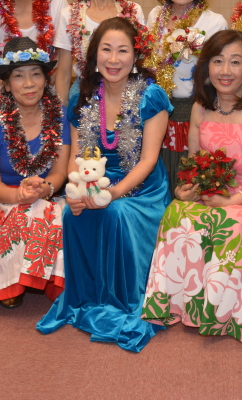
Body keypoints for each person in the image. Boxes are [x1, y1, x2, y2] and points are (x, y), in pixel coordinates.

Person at [141, 30, 242, 353]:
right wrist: (187, 189)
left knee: (231, 225)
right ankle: (184, 306)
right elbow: (194, 162)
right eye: (218, 61)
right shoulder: (200, 107)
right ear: (206, 68)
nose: (225, 70)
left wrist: (235, 200)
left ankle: (225, 315)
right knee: (177, 214)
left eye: (235, 62)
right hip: (215, 193)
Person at [37, 17, 172, 353]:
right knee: (72, 214)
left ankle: (122, 302)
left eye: (122, 51)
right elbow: (75, 156)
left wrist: (112, 193)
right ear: (94, 54)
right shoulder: (81, 97)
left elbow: (148, 161)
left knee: (115, 213)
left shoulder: (151, 96)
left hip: (142, 190)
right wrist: (78, 191)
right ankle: (86, 298)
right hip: (93, 181)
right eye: (106, 49)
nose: (113, 59)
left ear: (135, 55)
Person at [0, 37, 71, 331]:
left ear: (46, 80)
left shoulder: (60, 117)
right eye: (19, 76)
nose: (29, 83)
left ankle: (41, 287)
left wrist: (45, 189)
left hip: (47, 196)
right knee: (25, 215)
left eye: (36, 74)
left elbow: (59, 173)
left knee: (53, 213)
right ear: (7, 85)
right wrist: (18, 197)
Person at [143, 0, 227, 190]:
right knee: (159, 183)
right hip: (158, 116)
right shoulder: (155, 16)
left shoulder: (215, 22)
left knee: (190, 186)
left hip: (197, 115)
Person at [53, 0, 146, 99]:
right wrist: (62, 112)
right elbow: (64, 74)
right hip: (83, 95)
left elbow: (142, 62)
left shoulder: (133, 11)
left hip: (124, 96)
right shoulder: (68, 15)